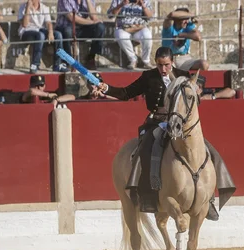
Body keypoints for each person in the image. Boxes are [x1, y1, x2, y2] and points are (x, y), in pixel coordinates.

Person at [94, 46, 234, 220]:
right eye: (160, 65)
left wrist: (198, 92)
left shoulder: (184, 76)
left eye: (166, 65)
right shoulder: (148, 77)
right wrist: (107, 88)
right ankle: (146, 195)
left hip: (180, 124)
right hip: (156, 123)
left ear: (172, 62)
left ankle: (209, 199)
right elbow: (126, 93)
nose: (163, 69)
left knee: (206, 150)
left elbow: (196, 96)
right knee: (144, 151)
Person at [18, 0, 68, 73]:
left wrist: (50, 32)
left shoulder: (44, 8)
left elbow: (48, 23)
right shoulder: (23, 7)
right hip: (26, 31)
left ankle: (57, 65)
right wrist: (28, 7)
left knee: (58, 35)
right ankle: (35, 64)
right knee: (40, 35)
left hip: (40, 30)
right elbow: (25, 24)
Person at [55, 0, 105, 70]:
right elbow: (71, 17)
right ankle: (68, 60)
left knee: (100, 27)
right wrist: (92, 22)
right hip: (65, 26)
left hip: (81, 28)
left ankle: (91, 57)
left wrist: (87, 1)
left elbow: (94, 17)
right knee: (67, 31)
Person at [107, 0, 153, 69]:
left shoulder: (145, 1)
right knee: (121, 36)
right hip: (124, 28)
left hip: (139, 28)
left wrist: (143, 6)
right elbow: (110, 15)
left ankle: (146, 61)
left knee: (147, 35)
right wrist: (121, 5)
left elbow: (150, 17)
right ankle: (133, 60)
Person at [52, 71, 117, 103]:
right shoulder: (85, 96)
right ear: (88, 85)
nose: (96, 86)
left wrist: (104, 96)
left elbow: (121, 99)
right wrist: (56, 99)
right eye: (93, 83)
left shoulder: (105, 97)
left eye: (98, 83)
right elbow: (72, 97)